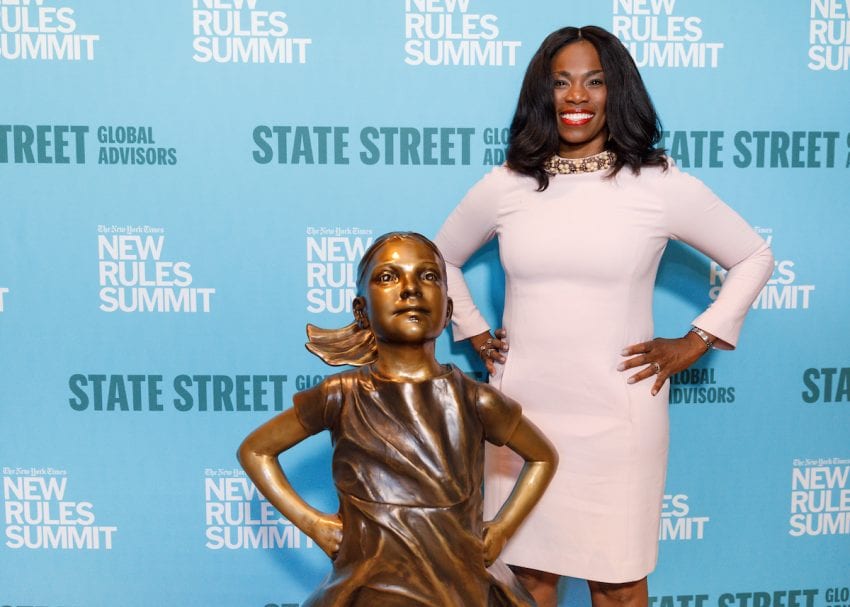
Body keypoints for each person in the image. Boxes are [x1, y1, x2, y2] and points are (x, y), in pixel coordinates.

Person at [434, 25, 774, 607]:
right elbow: (440, 259)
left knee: (618, 585)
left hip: (618, 419)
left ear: (618, 92)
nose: (576, 96)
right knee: (525, 585)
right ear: (542, 94)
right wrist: (474, 331)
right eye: (561, 82)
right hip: (522, 416)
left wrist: (697, 339)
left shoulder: (659, 185)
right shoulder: (507, 184)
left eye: (594, 82)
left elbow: (753, 256)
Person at [238, 232, 559, 606]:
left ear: (448, 310)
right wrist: (313, 524)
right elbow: (256, 450)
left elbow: (543, 456)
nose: (410, 289)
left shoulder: (475, 400)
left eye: (428, 276)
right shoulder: (341, 395)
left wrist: (502, 530)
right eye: (388, 277)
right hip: (370, 588)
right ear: (362, 310)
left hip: (461, 588)